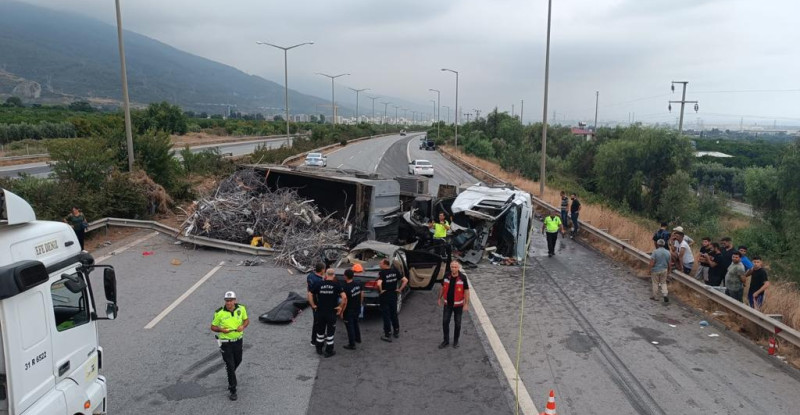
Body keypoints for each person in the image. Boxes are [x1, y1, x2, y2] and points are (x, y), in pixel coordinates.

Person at [211, 291, 249, 401]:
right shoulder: (219, 313)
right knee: (230, 366)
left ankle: (230, 374)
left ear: (235, 300)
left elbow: (246, 320)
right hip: (225, 342)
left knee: (238, 360)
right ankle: (233, 389)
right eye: (227, 301)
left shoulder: (241, 308)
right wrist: (221, 330)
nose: (228, 303)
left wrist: (243, 326)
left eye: (230, 300)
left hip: (238, 341)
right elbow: (213, 327)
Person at [308, 268, 346, 357]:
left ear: (326, 275)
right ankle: (329, 351)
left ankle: (319, 348)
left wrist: (313, 305)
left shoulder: (319, 284)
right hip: (331, 312)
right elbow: (344, 297)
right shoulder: (336, 285)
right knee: (330, 332)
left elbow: (310, 294)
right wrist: (340, 307)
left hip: (320, 312)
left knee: (320, 331)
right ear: (334, 275)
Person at [438, 261, 470, 349]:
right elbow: (442, 287)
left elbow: (466, 291)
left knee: (458, 324)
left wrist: (466, 304)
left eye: (455, 267)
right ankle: (446, 341)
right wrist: (439, 298)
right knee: (445, 322)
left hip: (458, 305)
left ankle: (456, 341)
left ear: (458, 268)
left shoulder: (462, 278)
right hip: (447, 304)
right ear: (450, 267)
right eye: (452, 267)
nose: (453, 269)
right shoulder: (446, 276)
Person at [377, 258, 408, 342]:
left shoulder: (382, 273)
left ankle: (387, 334)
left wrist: (381, 290)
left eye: (381, 263)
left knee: (386, 315)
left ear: (385, 264)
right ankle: (396, 331)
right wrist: (400, 289)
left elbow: (379, 284)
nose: (379, 265)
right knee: (394, 314)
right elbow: (405, 280)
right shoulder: (395, 271)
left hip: (385, 296)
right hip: (393, 295)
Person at [342, 268, 364, 350]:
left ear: (345, 276)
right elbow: (362, 294)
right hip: (357, 307)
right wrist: (360, 303)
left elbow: (344, 301)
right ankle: (358, 338)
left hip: (349, 310)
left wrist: (342, 311)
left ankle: (352, 344)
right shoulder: (358, 283)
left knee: (349, 326)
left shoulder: (345, 287)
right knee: (355, 323)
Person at [306, 262, 325, 347]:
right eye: (324, 269)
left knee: (317, 320)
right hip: (316, 302)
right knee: (317, 322)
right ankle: (313, 341)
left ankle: (319, 335)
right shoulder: (320, 281)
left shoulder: (310, 276)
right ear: (322, 270)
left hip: (311, 300)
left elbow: (308, 287)